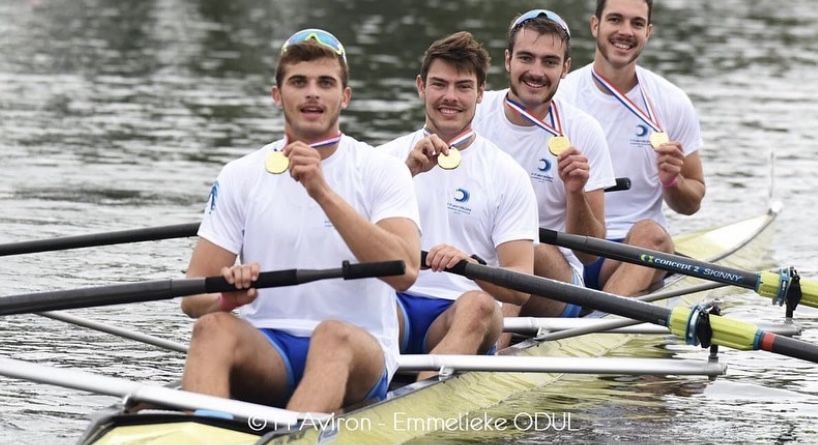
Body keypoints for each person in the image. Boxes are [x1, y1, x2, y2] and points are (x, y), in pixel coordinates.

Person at [179, 28, 421, 413]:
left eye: (325, 83)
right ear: (278, 96)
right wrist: (227, 297)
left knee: (332, 335)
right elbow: (192, 299)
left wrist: (321, 191)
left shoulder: (383, 171)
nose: (312, 93)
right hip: (270, 350)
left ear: (344, 97)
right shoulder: (240, 174)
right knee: (211, 328)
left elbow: (406, 271)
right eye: (298, 82)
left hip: (356, 351)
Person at [378, 31, 538, 379]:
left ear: (481, 94)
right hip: (394, 309)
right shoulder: (383, 161)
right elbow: (340, 245)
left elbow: (522, 287)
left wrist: (471, 263)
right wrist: (404, 175)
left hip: (461, 313)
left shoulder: (507, 174)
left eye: (463, 86)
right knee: (361, 300)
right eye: (439, 84)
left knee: (479, 305)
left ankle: (417, 402)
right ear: (421, 86)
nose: (450, 97)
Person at [472, 10, 616, 317]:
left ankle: (492, 355)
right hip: (476, 266)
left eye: (549, 62)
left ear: (565, 68)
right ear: (508, 60)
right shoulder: (474, 115)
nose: (536, 71)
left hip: (557, 282)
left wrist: (575, 192)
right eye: (526, 58)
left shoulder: (582, 130)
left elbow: (590, 256)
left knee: (523, 246)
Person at [557, 0, 706, 296]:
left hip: (631, 250)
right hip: (564, 249)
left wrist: (673, 182)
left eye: (636, 23)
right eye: (615, 20)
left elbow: (692, 203)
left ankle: (598, 324)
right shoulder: (561, 96)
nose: (625, 31)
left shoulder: (672, 102)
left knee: (652, 234)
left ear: (648, 32)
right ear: (595, 25)